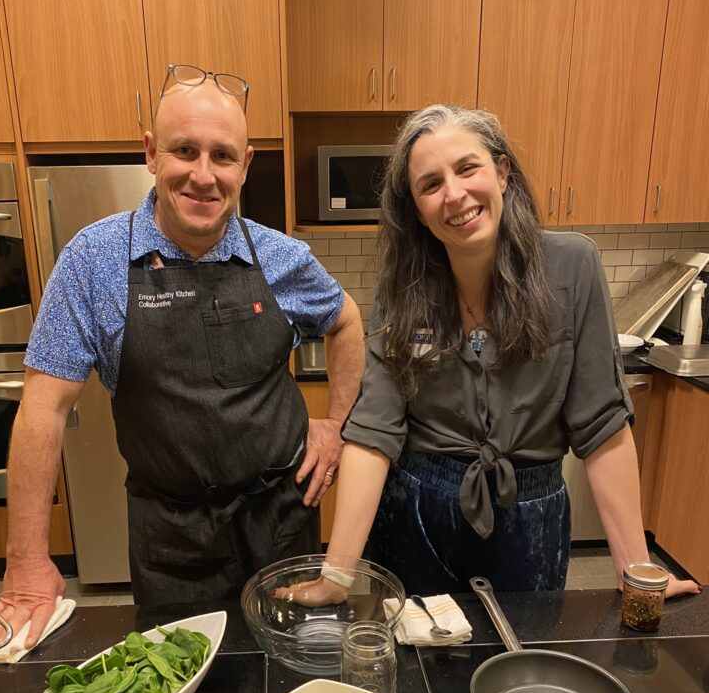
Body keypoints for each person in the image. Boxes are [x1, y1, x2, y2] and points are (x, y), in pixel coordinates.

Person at [0, 65, 364, 647]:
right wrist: (26, 559)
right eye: (185, 150)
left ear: (246, 164)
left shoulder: (283, 258)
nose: (203, 176)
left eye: (222, 156)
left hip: (281, 521)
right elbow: (44, 409)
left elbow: (347, 321)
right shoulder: (93, 260)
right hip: (172, 536)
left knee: (291, 677)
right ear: (152, 154)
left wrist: (335, 424)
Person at [285, 104, 700, 602]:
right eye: (430, 184)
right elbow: (373, 432)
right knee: (417, 666)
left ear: (502, 172)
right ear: (416, 208)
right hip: (417, 512)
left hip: (532, 516)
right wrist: (337, 577)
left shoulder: (573, 267)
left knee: (523, 669)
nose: (454, 195)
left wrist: (635, 571)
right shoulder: (404, 288)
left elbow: (602, 425)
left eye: (467, 168)